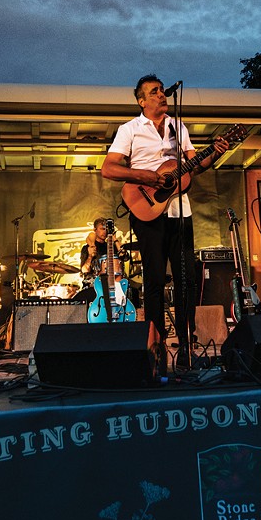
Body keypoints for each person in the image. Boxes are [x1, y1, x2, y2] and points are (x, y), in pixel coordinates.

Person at [101, 74, 228, 369]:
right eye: (155, 92)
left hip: (180, 211)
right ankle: (155, 346)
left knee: (186, 279)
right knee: (155, 279)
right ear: (141, 101)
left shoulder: (177, 126)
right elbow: (109, 168)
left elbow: (196, 164)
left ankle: (186, 345)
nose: (162, 94)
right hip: (147, 209)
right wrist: (146, 176)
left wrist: (216, 153)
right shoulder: (129, 129)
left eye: (162, 90)